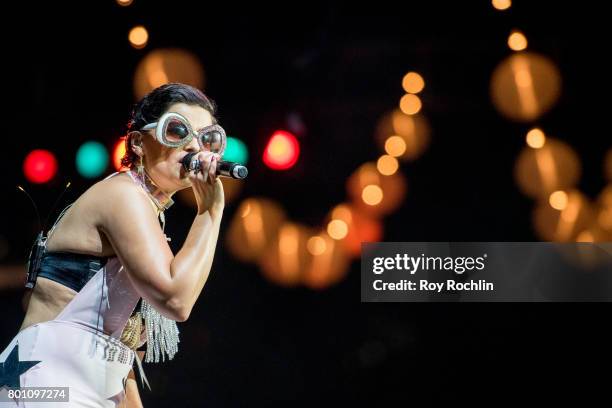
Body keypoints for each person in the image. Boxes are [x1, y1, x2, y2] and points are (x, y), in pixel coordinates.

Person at [0, 83, 225, 407]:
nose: (194, 147)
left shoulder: (146, 211)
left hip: (83, 385)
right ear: (137, 143)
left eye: (207, 139)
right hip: (46, 380)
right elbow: (177, 299)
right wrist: (210, 212)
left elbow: (120, 354)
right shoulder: (122, 195)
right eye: (178, 131)